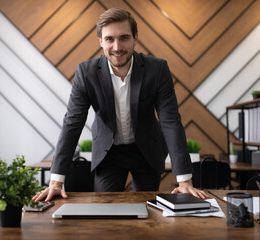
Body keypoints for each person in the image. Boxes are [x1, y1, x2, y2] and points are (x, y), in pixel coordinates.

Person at [33, 8, 208, 202]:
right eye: (109, 39)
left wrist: (184, 181)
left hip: (146, 149)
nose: (117, 47)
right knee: (104, 207)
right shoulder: (86, 73)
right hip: (109, 152)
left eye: (124, 38)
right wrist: (56, 182)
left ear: (135, 38)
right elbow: (72, 124)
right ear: (100, 41)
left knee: (147, 206)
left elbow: (170, 121)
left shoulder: (157, 69)